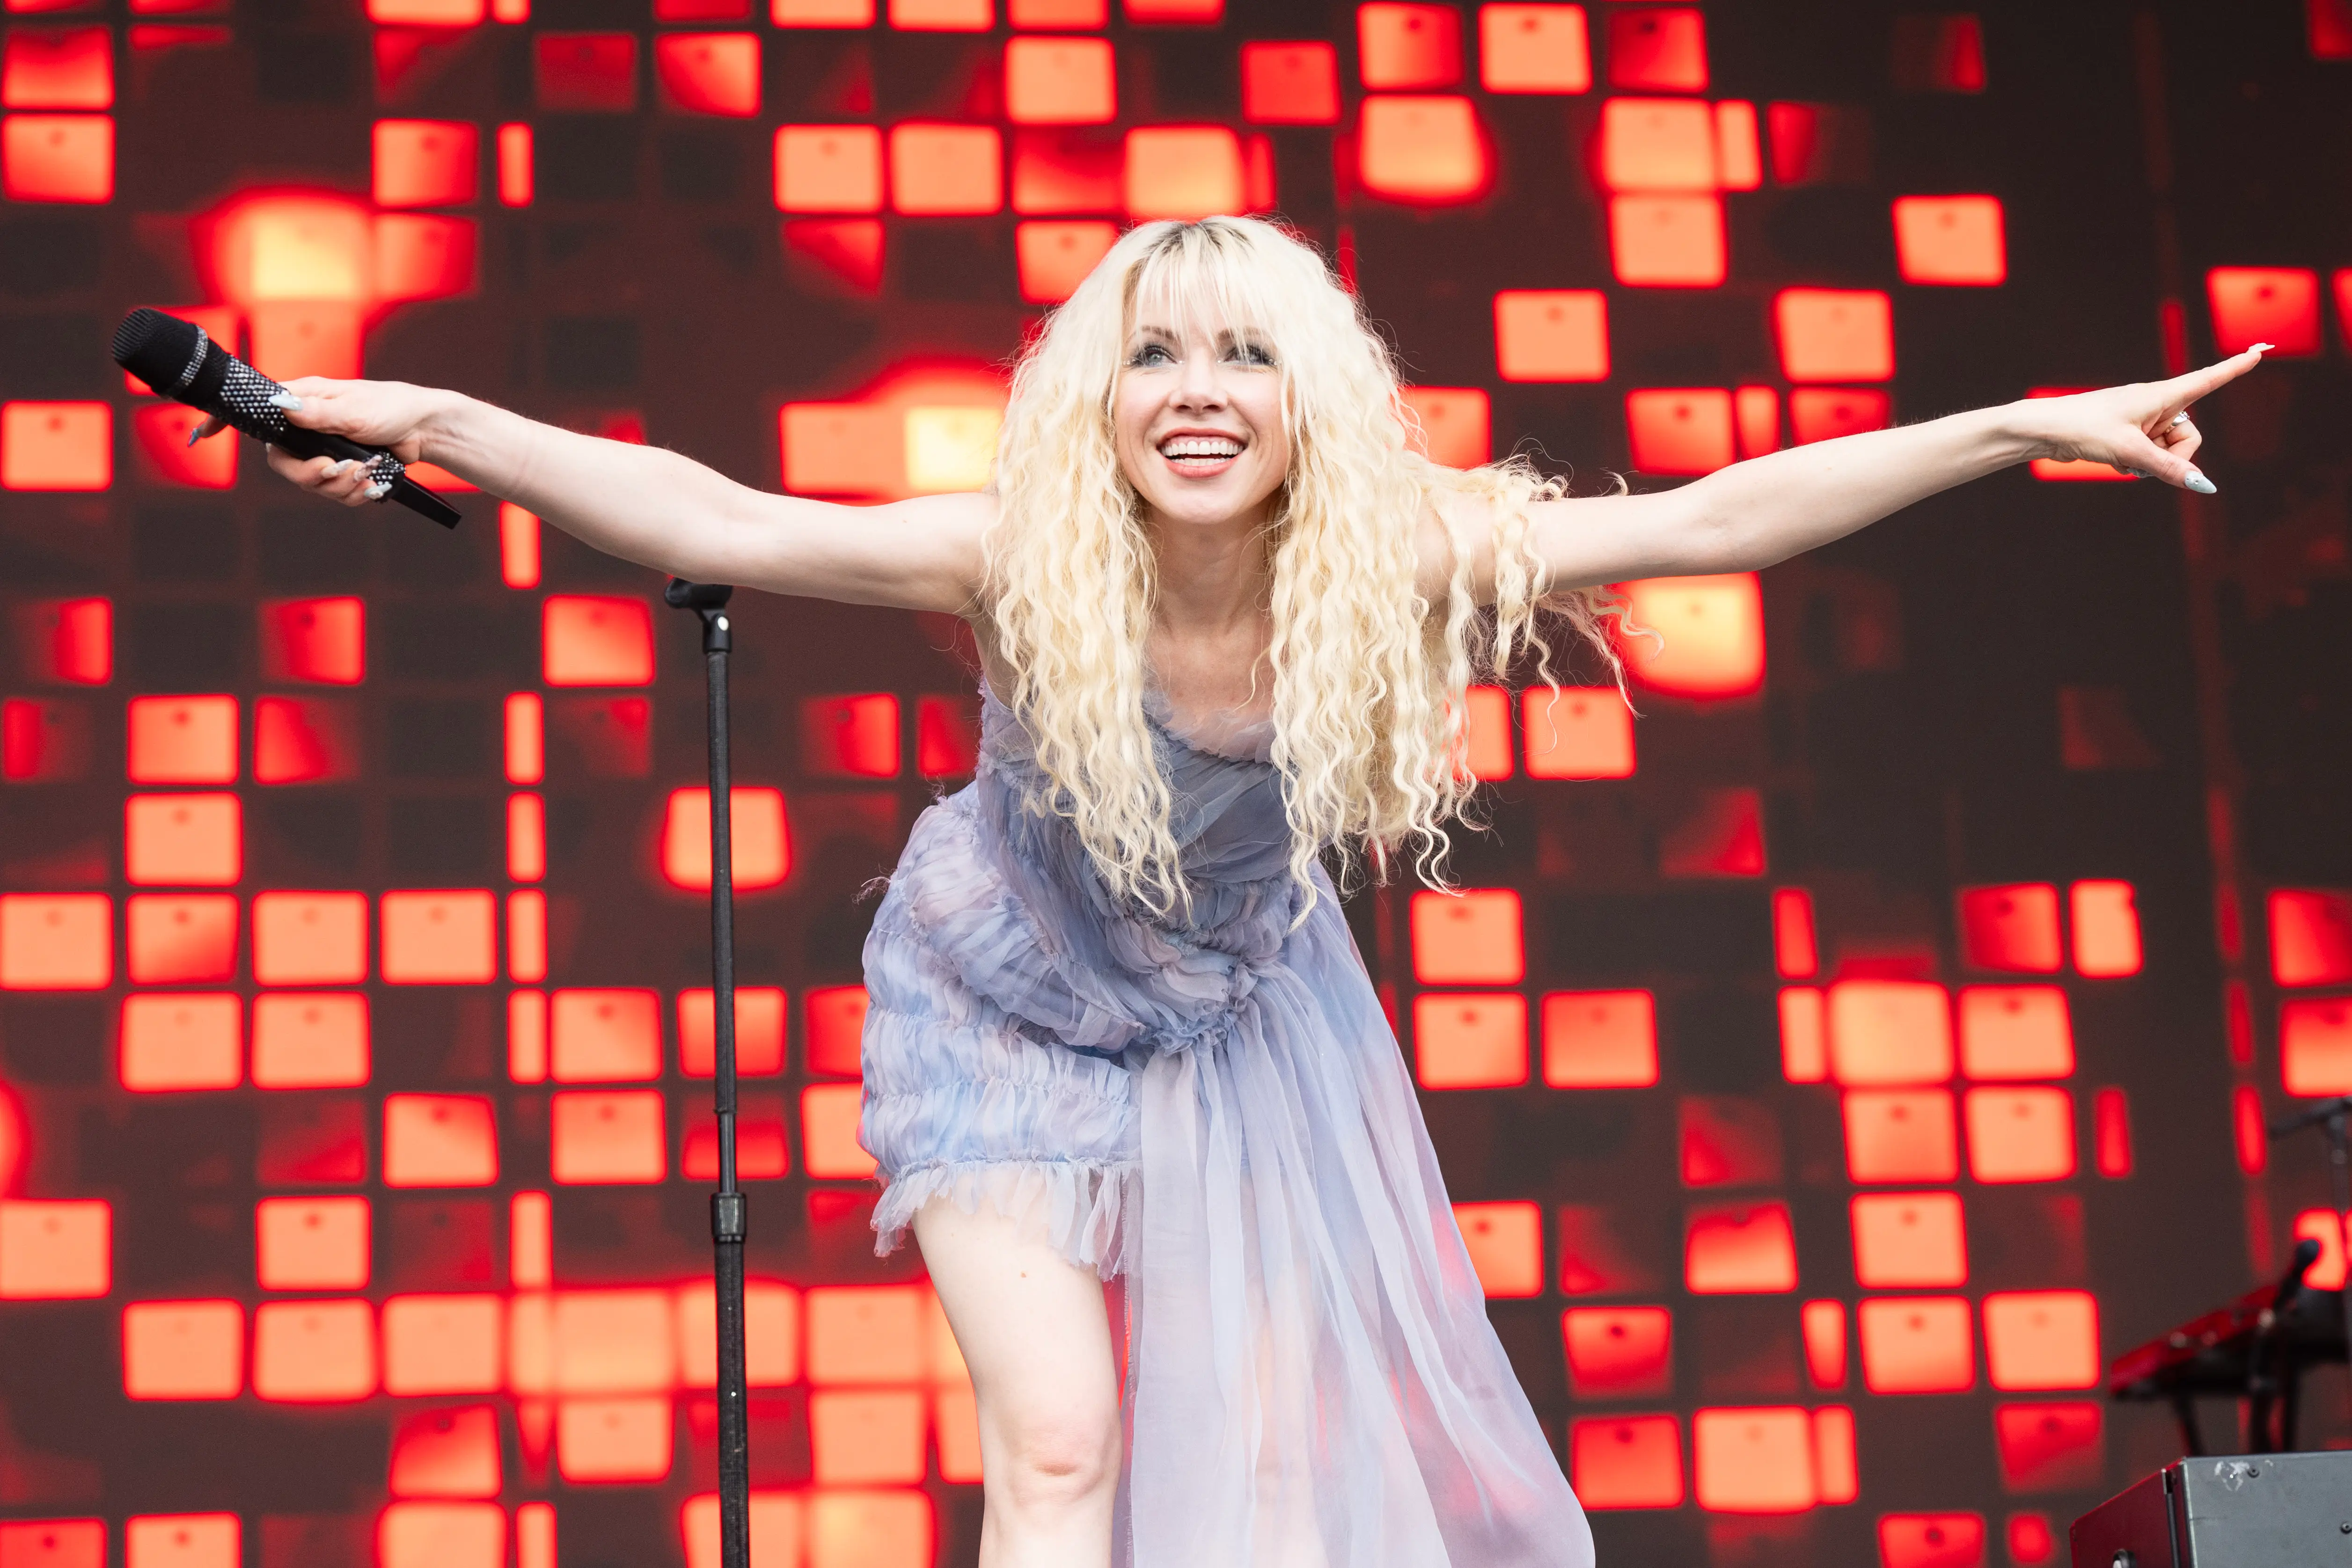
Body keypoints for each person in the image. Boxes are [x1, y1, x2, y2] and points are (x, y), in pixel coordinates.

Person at [232, 216, 2261, 1568]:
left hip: (1233, 1020)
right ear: (1093, 404)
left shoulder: (1397, 565)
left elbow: (1723, 526)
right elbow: (722, 516)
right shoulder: (1019, 561)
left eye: (1242, 356)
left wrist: (2018, 427)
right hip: (1000, 1008)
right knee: (1055, 1445)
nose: (1196, 391)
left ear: (1308, 401)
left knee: (1272, 1477)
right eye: (1152, 358)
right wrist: (429, 420)